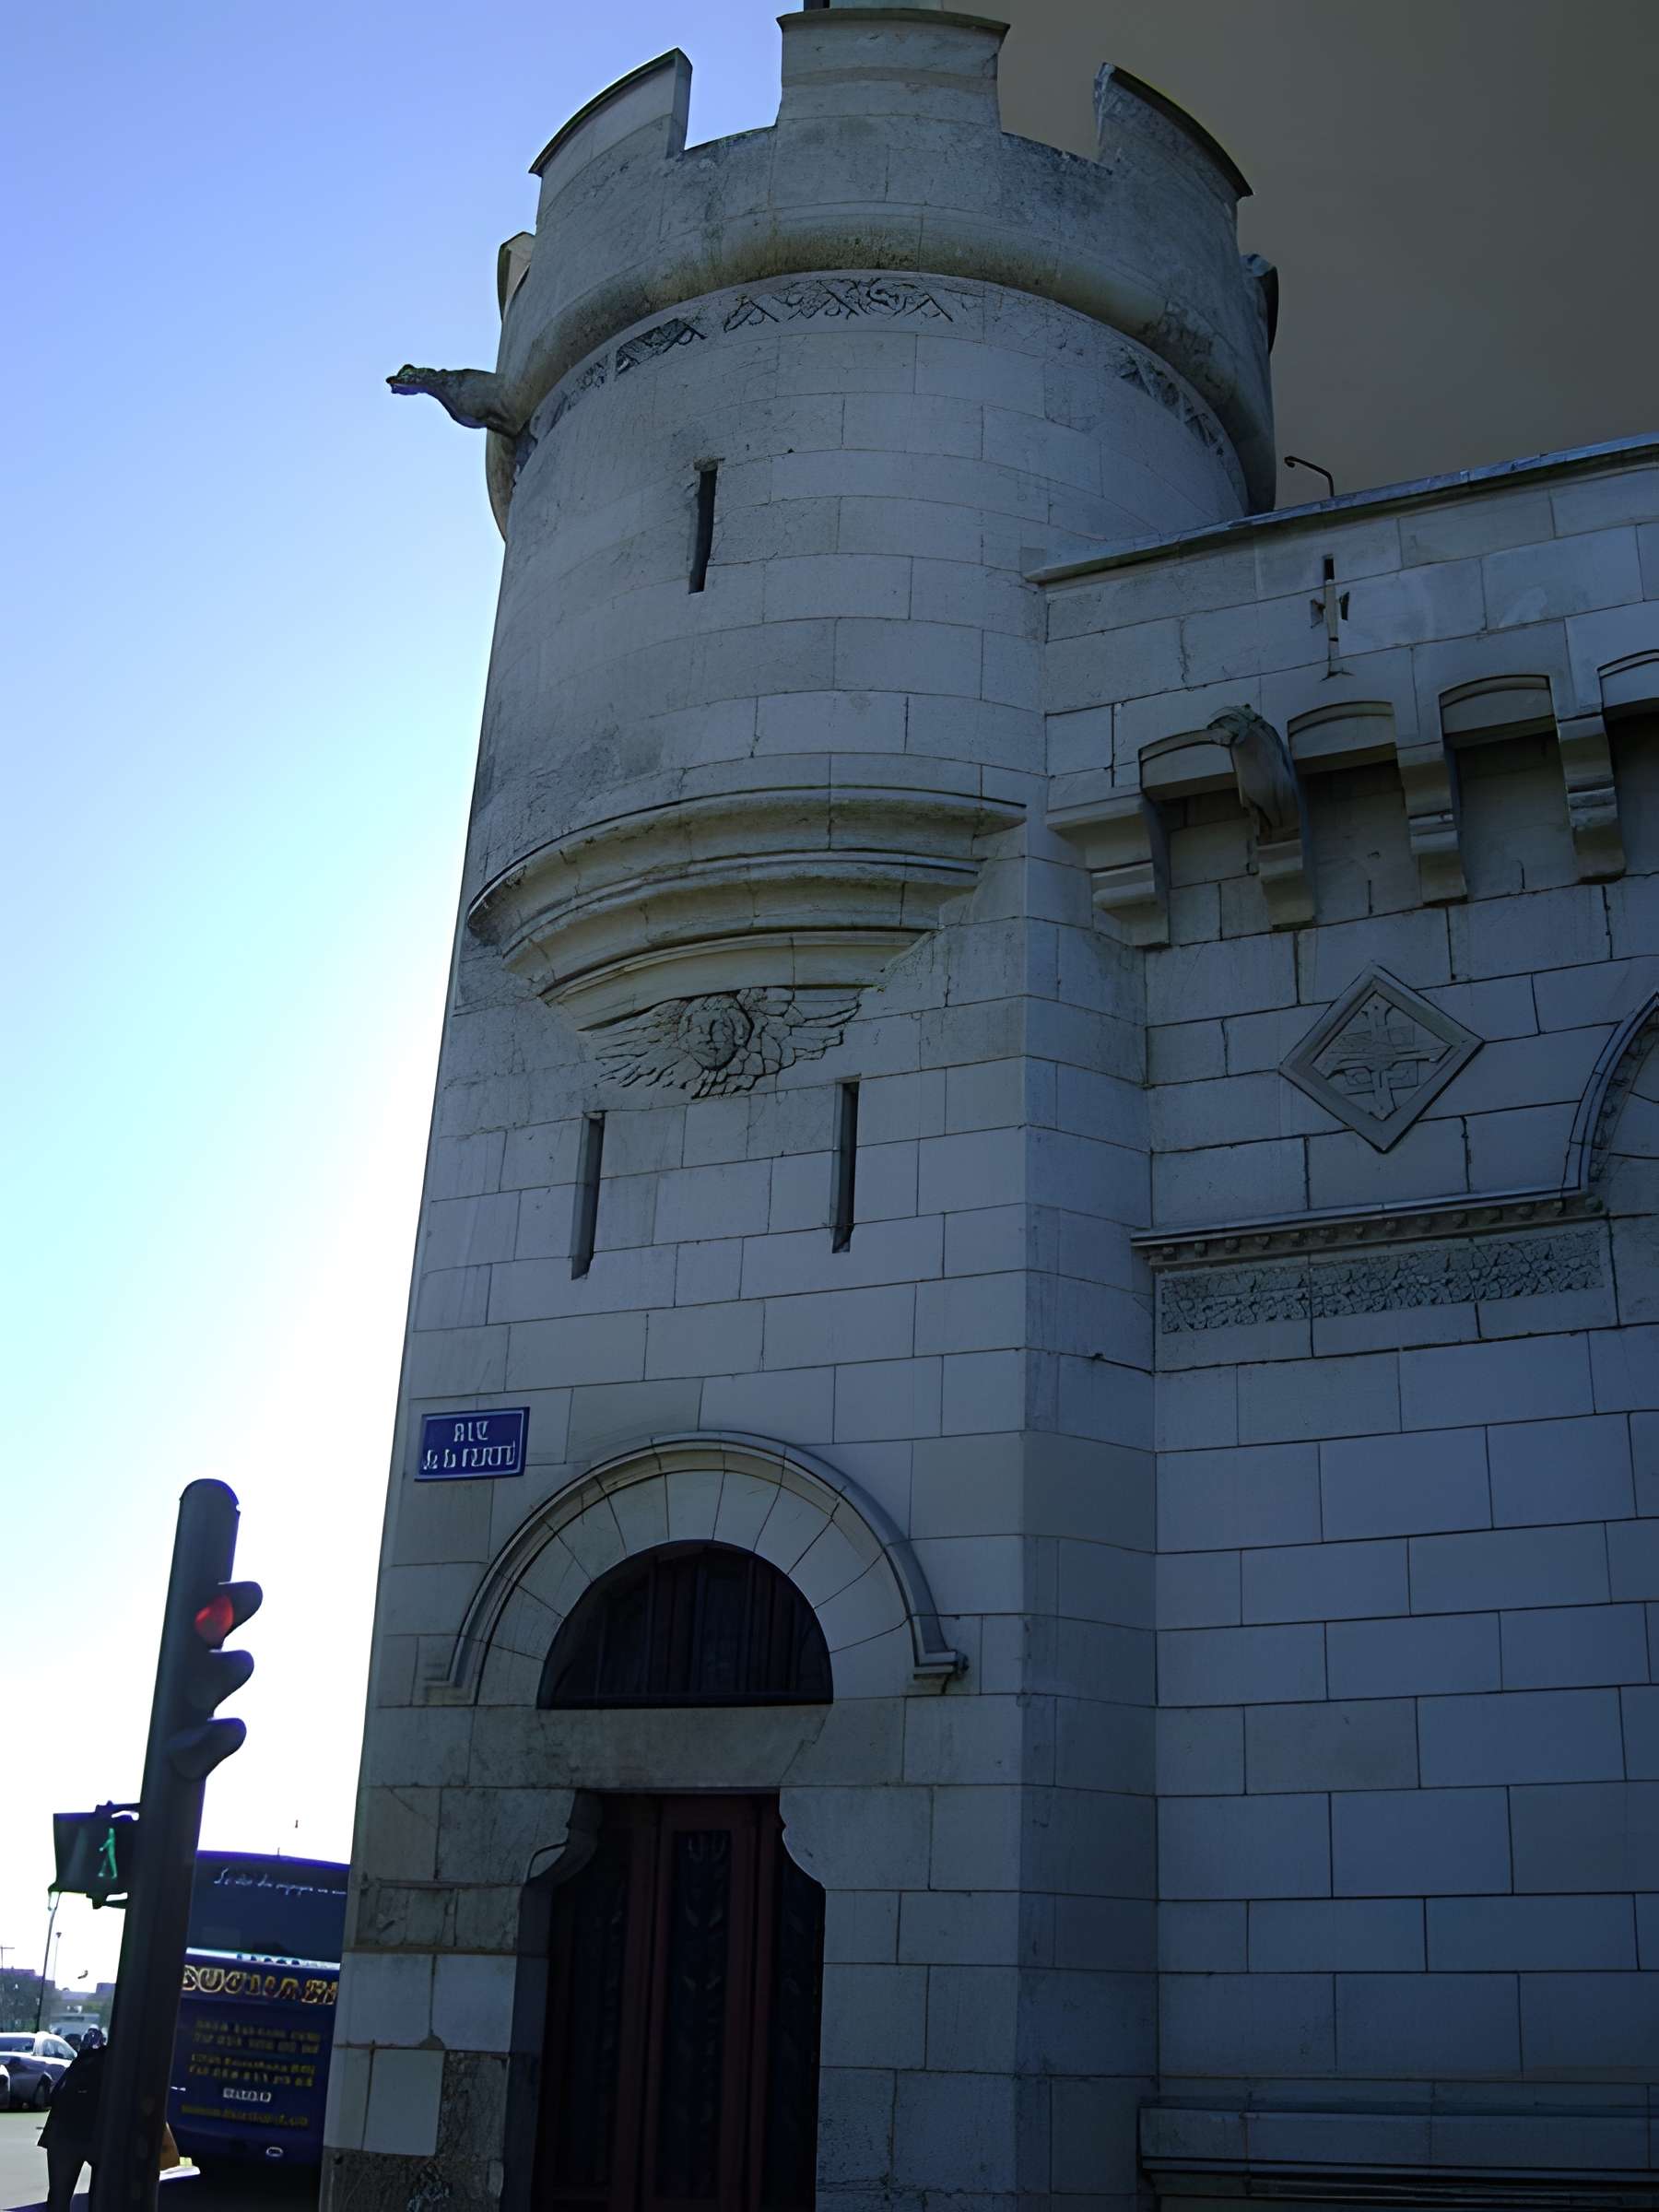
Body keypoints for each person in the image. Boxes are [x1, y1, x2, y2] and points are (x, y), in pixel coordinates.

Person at [39, 2036, 106, 2210]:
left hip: (63, 2132)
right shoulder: (121, 2064)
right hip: (101, 2133)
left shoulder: (83, 2059)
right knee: (103, 2198)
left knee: (58, 2198)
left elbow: (54, 2096)